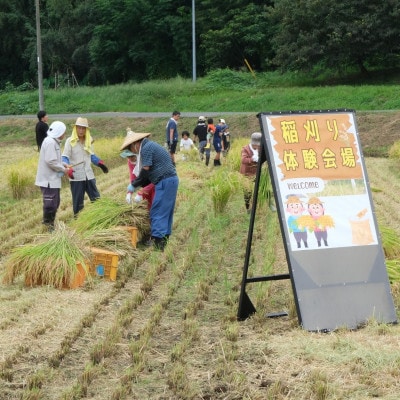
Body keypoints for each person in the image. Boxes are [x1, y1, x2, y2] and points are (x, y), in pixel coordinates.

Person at [120, 130, 179, 251]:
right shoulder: (150, 146)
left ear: (135, 143)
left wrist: (133, 185)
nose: (132, 152)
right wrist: (134, 188)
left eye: (131, 148)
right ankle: (163, 240)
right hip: (169, 180)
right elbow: (147, 177)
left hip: (165, 181)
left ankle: (158, 243)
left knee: (157, 212)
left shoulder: (146, 148)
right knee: (165, 212)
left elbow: (145, 171)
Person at [62, 117, 109, 217]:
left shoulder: (89, 141)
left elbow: (91, 155)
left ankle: (100, 218)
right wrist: (68, 167)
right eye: (79, 128)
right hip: (76, 176)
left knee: (96, 199)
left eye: (83, 128)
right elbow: (65, 157)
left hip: (89, 175)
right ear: (75, 128)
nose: (81, 130)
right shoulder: (70, 141)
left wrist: (100, 163)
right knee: (78, 203)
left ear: (86, 130)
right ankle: (78, 222)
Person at [35, 121, 72, 231]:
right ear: (59, 132)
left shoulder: (54, 141)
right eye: (64, 132)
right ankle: (48, 224)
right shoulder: (50, 142)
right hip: (48, 180)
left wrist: (64, 164)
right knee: (50, 203)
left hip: (52, 179)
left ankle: (50, 222)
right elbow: (51, 161)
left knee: (55, 202)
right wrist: (64, 170)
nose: (64, 134)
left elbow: (55, 159)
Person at [240, 132, 261, 212]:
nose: (258, 146)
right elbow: (243, 160)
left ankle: (260, 204)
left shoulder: (259, 148)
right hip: (247, 173)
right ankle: (248, 207)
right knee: (247, 191)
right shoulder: (245, 149)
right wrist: (252, 159)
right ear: (253, 143)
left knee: (262, 187)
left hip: (256, 172)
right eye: (257, 144)